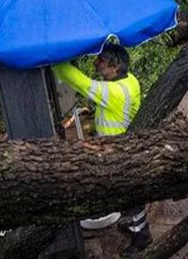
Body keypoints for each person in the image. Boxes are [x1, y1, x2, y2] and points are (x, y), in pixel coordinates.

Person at [52, 43, 152, 258]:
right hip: (123, 145)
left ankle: (142, 238)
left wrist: (56, 59)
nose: (96, 63)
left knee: (130, 197)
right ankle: (133, 224)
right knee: (124, 193)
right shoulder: (129, 80)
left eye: (101, 60)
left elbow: (82, 83)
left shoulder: (113, 92)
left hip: (118, 150)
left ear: (114, 66)